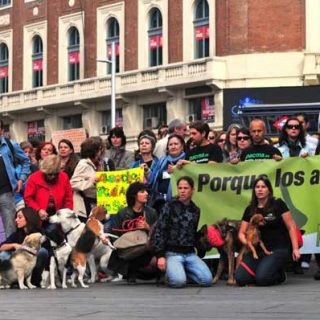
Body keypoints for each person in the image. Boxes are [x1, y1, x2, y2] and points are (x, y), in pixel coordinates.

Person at [235, 176, 301, 286]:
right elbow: (241, 233)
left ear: (269, 190)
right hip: (257, 250)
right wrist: (248, 243)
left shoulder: (278, 204)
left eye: (263, 187)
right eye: (257, 187)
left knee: (262, 279)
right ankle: (263, 268)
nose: (260, 189)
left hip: (278, 248)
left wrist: (295, 249)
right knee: (240, 278)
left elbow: (291, 227)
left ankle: (279, 274)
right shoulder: (250, 209)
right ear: (254, 190)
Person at [153, 176, 213, 288]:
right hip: (172, 252)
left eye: (186, 188)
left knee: (207, 280)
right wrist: (160, 255)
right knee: (179, 282)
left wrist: (203, 243)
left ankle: (180, 271)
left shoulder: (196, 210)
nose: (182, 191)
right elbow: (160, 231)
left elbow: (192, 233)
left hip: (190, 253)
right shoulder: (168, 206)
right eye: (180, 188)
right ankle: (173, 272)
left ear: (192, 190)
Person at [109, 182, 158, 284]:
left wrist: (148, 227)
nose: (146, 194)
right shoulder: (122, 213)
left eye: (146, 191)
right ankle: (131, 271)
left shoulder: (151, 212)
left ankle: (135, 272)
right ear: (134, 195)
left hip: (146, 249)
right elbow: (114, 233)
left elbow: (159, 234)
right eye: (142, 191)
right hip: (128, 250)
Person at [0, 207, 48, 287]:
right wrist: (14, 245)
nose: (16, 220)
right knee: (3, 255)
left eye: (19, 217)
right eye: (16, 217)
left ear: (28, 218)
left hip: (33, 268)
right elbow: (1, 247)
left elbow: (48, 251)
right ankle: (12, 280)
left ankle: (34, 280)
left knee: (42, 251)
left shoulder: (40, 234)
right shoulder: (17, 234)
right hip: (18, 269)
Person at [0, 119, 31, 237]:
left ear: (2, 130)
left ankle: (9, 253)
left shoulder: (9, 145)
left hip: (6, 192)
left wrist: (21, 179)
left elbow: (26, 161)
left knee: (10, 228)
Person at [24, 154, 73, 227]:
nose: (53, 176)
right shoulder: (34, 178)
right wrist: (38, 210)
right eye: (50, 174)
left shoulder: (64, 177)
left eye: (56, 174)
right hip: (37, 215)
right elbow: (28, 198)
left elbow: (68, 199)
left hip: (58, 214)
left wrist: (66, 215)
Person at [70, 137, 107, 221]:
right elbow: (73, 183)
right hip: (87, 204)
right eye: (101, 149)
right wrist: (91, 182)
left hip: (98, 204)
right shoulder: (83, 164)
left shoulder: (100, 164)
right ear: (97, 150)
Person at [150, 134, 186, 210]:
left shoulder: (187, 161)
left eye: (176, 144)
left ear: (182, 146)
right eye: (170, 144)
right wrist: (147, 171)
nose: (173, 147)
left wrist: (176, 172)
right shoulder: (161, 161)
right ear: (167, 148)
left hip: (179, 205)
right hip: (160, 204)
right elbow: (152, 180)